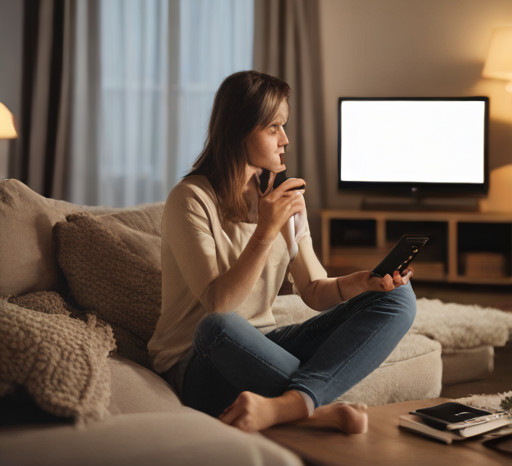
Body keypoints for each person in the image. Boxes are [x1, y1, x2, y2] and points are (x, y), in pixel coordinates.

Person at [148, 70, 416, 434]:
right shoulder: (190, 200)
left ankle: (292, 405)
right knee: (217, 327)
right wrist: (265, 230)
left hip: (264, 346)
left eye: (283, 127)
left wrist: (362, 283)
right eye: (273, 128)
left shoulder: (286, 200)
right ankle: (316, 408)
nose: (285, 139)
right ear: (239, 130)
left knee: (398, 298)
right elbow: (220, 304)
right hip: (198, 359)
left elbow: (315, 291)